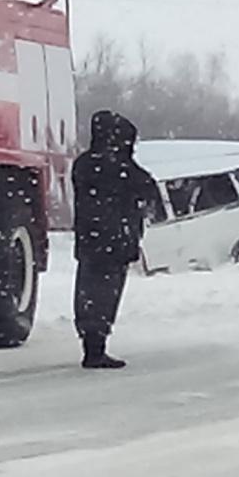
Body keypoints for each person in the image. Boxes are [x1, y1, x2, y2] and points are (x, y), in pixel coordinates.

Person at [72, 110, 160, 370]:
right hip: (115, 242)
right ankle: (97, 347)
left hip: (89, 241)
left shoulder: (84, 164)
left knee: (87, 292)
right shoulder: (123, 168)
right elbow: (148, 188)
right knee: (106, 295)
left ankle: (90, 343)